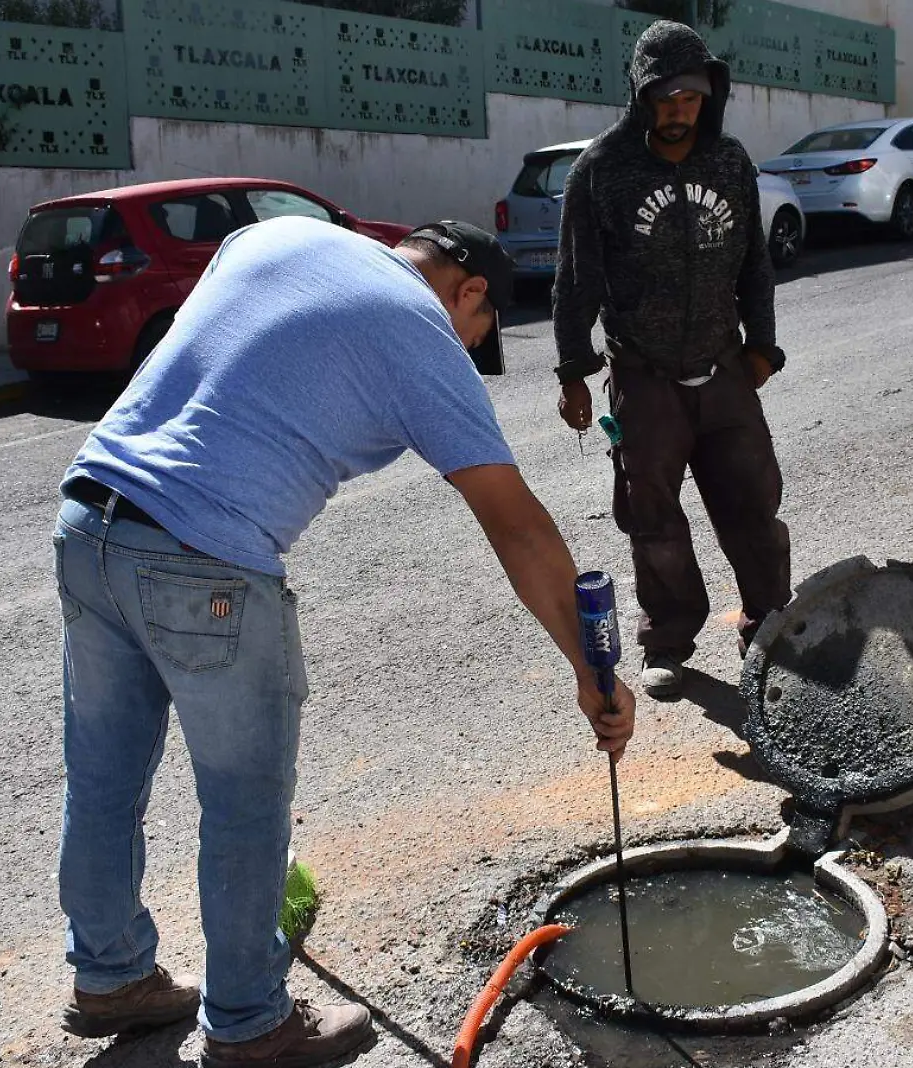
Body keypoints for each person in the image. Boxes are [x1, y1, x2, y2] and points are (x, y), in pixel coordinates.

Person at [52, 216, 636, 1067]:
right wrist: (591, 671)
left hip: (87, 519)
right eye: (481, 332)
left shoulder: (278, 235)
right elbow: (518, 528)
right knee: (243, 802)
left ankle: (108, 976)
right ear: (469, 290)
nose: (469, 346)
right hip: (203, 559)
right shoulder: (419, 330)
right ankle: (249, 1022)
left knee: (103, 778)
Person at [552, 20, 790, 700]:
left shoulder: (731, 162)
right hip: (643, 375)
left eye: (692, 95)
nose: (680, 107)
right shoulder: (602, 170)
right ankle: (669, 643)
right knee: (651, 517)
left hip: (725, 369)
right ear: (642, 94)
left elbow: (756, 264)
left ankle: (770, 626)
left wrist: (762, 348)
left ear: (708, 95)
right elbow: (575, 279)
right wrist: (574, 371)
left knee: (753, 503)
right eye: (666, 95)